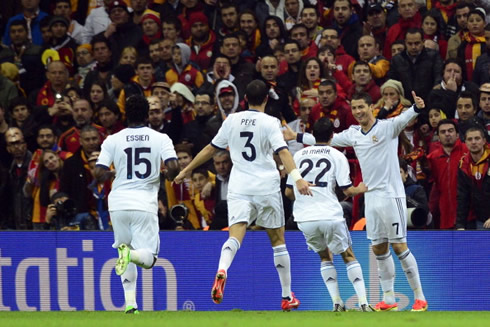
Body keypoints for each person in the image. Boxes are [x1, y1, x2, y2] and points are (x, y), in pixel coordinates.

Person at [173, 79, 311, 310]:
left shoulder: (232, 120)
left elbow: (211, 148)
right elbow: (283, 152)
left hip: (239, 187)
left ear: (244, 99)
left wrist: (186, 169)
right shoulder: (271, 122)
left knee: (235, 236)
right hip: (266, 186)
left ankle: (222, 269)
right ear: (266, 99)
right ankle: (287, 297)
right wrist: (297, 179)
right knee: (278, 242)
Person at [329, 92, 428, 311]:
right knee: (379, 249)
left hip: (392, 196)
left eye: (361, 107)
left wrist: (417, 107)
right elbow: (328, 139)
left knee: (400, 246)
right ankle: (389, 299)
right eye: (354, 109)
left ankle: (420, 297)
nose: (358, 112)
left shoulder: (386, 128)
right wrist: (296, 138)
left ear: (371, 106)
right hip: (371, 198)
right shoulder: (353, 134)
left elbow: (404, 118)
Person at [94, 94, 180, 314]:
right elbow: (173, 167)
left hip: (118, 203)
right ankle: (129, 256)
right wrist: (167, 176)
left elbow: (98, 172)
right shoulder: (161, 138)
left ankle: (130, 304)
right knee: (148, 258)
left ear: (124, 115)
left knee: (126, 250)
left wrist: (114, 173)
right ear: (147, 115)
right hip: (143, 203)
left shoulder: (112, 139)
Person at [285, 117, 373, 312]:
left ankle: (336, 302)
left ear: (312, 135)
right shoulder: (336, 155)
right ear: (332, 136)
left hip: (305, 217)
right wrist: (360, 189)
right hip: (329, 214)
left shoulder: (298, 156)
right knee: (348, 255)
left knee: (325, 257)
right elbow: (347, 190)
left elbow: (289, 192)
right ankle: (364, 303)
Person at [456, 126, 490, 230]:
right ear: (465, 142)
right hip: (481, 220)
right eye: (470, 139)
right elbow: (462, 197)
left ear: (484, 141)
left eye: (477, 138)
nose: (473, 142)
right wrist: (460, 225)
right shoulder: (463, 165)